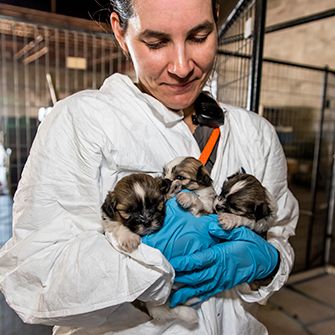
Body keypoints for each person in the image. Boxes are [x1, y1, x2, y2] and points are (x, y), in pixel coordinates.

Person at [0, 0, 299, 334]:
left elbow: (280, 236)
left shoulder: (256, 133)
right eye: (156, 43)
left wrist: (267, 263)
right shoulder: (80, 123)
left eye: (199, 36)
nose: (183, 66)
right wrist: (153, 260)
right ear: (120, 31)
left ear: (217, 21)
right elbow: (32, 283)